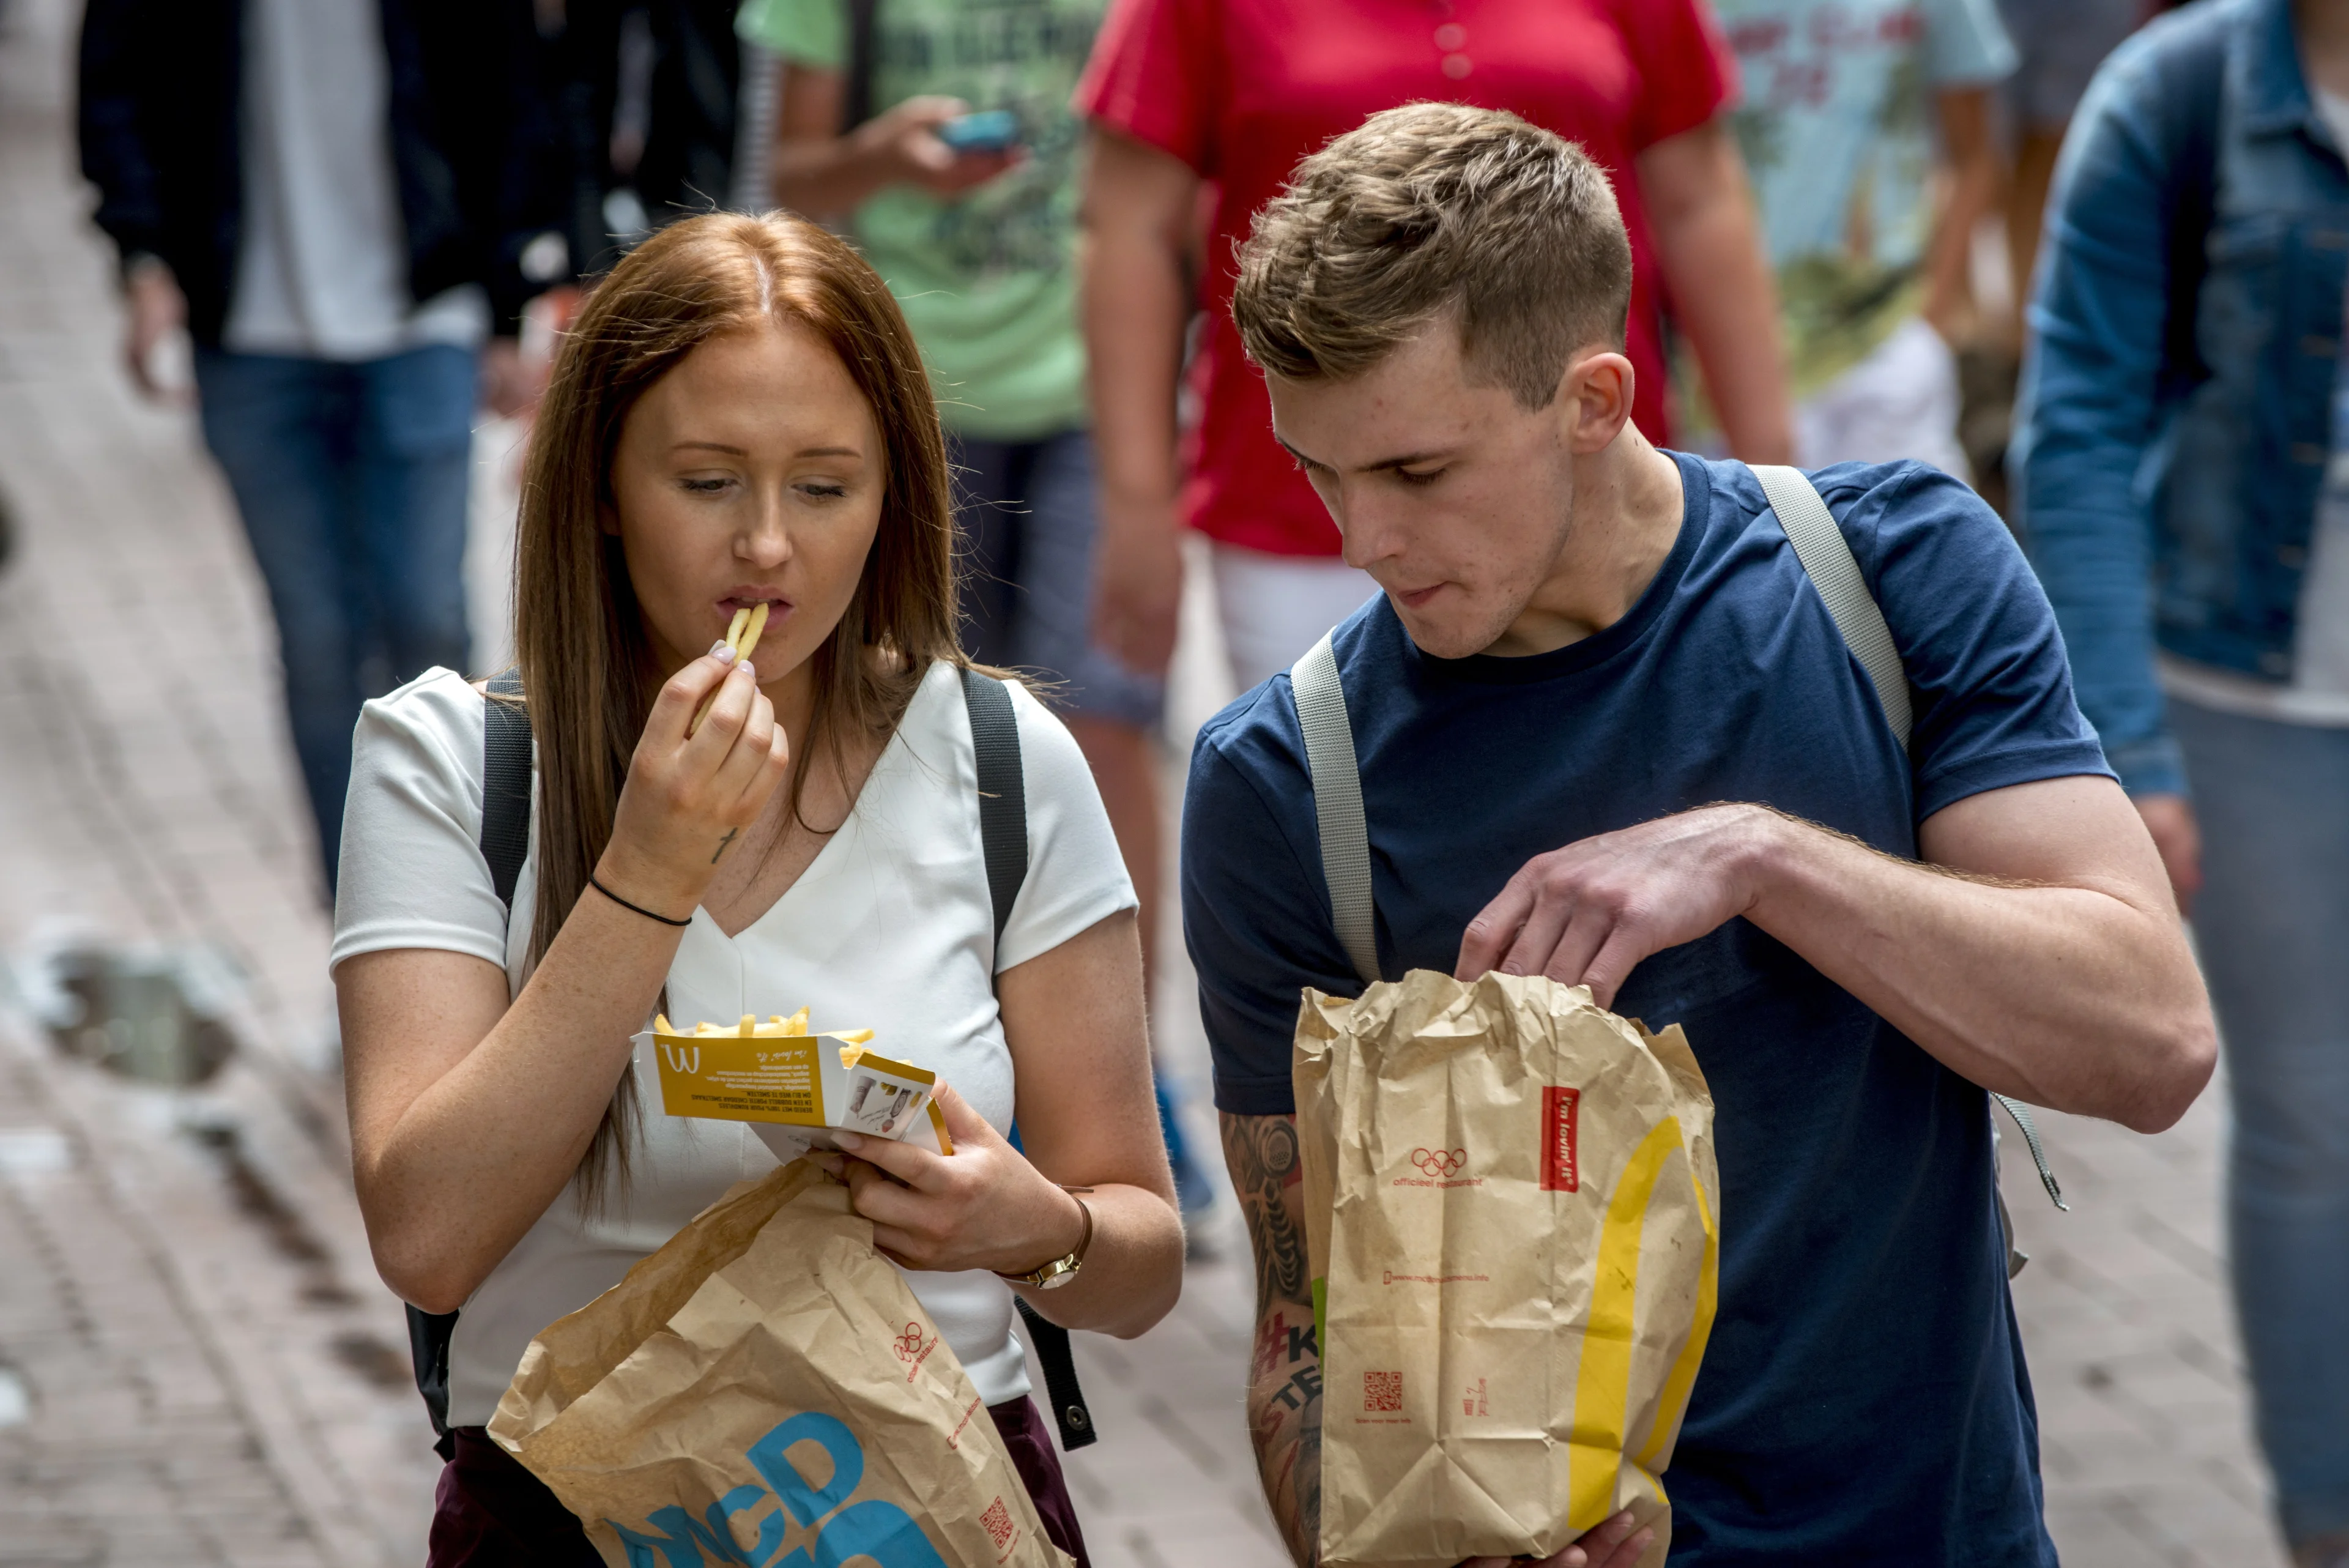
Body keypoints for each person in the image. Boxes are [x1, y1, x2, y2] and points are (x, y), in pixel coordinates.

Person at [1185, 105, 2215, 1565]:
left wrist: (1760, 859)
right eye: (1318, 473)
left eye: (1414, 472)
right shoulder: (1290, 784)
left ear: (1594, 399)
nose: (1363, 541)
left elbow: (2153, 1045)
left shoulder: (1888, 575)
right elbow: (1307, 1336)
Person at [329, 211, 1184, 1562]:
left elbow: (1142, 1264)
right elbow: (427, 1235)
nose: (769, 545)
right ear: (601, 485)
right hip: (574, 1507)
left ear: (894, 499)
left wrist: (1037, 1230)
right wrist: (646, 874)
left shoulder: (1004, 760)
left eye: (826, 487)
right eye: (709, 480)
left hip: (925, 1492)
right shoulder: (449, 761)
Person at [2013, 1, 2349, 1559]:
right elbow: (2074, 428)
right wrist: (2125, 749)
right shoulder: (2184, 92)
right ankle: (2323, 1517)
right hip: (2247, 700)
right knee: (2312, 1127)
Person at [1075, 0, 1795, 696]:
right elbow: (1129, 230)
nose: (1370, 545)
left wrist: (1771, 483)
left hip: (1580, 486)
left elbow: (1699, 203)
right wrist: (1137, 507)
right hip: (1289, 517)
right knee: (1328, 772)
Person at [77, 0, 566, 896]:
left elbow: (508, 90)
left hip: (426, 310)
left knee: (428, 619)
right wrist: (145, 259)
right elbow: (116, 83)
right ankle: (361, 922)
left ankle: (467, 899)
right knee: (316, 637)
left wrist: (507, 308)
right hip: (246, 330)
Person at [739, 0, 1168, 967]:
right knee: (911, 724)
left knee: (1104, 719)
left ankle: (1127, 1044)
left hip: (1092, 393)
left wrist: (1153, 490)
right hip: (910, 395)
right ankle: (933, 1012)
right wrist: (884, 157)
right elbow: (786, 176)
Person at [1707, 0, 2012, 475]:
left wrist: (1928, 325)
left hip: (1888, 334)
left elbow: (1975, 156)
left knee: (1913, 521)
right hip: (1723, 355)